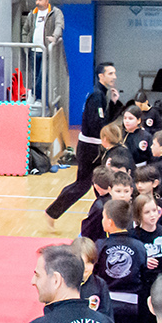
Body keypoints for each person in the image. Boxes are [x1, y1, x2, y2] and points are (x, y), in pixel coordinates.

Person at [46, 62, 122, 221]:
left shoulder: (100, 94)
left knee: (95, 184)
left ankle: (105, 217)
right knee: (83, 185)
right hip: (90, 148)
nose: (114, 76)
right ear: (101, 76)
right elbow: (98, 125)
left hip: (92, 146)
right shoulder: (96, 95)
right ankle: (52, 212)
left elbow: (103, 122)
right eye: (110, 73)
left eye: (114, 73)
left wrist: (114, 103)